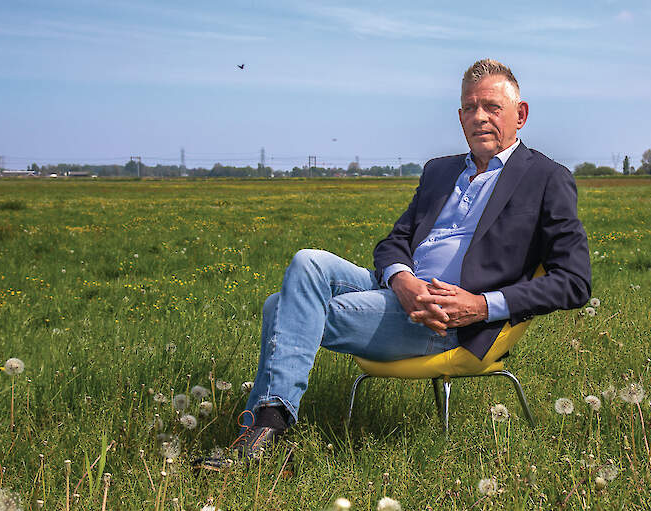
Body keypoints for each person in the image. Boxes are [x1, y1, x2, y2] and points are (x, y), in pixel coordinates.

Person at [224, 59, 591, 460]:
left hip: (444, 317)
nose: (479, 117)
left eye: (491, 107)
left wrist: (481, 306)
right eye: (470, 108)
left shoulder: (547, 178)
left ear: (520, 114)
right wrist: (403, 281)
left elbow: (574, 280)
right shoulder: (440, 171)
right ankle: (269, 431)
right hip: (402, 291)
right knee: (308, 261)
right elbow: (393, 243)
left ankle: (262, 436)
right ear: (459, 116)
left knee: (280, 308)